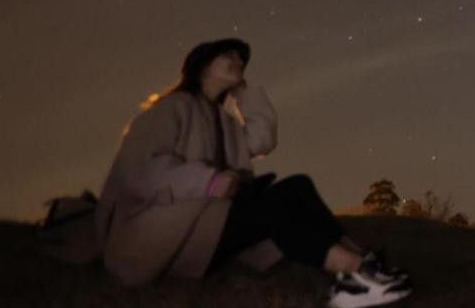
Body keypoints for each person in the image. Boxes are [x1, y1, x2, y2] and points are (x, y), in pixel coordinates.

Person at [94, 37, 413, 306]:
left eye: (240, 59)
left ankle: (362, 260)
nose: (238, 61)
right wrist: (208, 181)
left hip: (205, 228)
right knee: (269, 205)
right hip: (160, 238)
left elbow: (263, 139)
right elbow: (141, 169)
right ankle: (352, 277)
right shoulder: (171, 107)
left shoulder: (224, 121)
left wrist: (243, 93)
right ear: (203, 64)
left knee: (297, 185)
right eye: (228, 55)